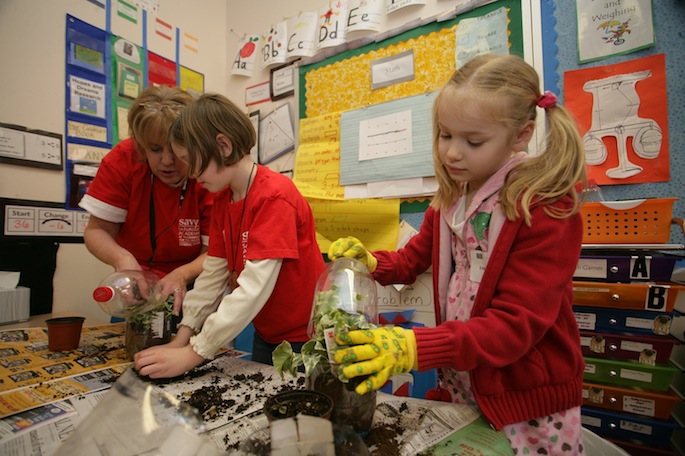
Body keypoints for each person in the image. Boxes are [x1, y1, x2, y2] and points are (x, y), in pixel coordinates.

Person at [328, 54, 587, 455]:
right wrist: (374, 262)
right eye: (445, 135)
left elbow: (514, 326)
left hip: (526, 394)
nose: (451, 153)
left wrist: (414, 347)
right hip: (466, 377)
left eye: (473, 141)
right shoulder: (453, 198)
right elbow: (414, 258)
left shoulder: (542, 206)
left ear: (521, 136)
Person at [133, 93, 325, 376]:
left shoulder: (274, 196)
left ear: (222, 146)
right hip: (268, 334)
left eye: (189, 160)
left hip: (306, 338)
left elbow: (253, 288)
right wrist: (183, 337)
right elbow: (212, 275)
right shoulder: (224, 199)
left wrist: (196, 352)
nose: (188, 172)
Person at [80, 86, 213, 313]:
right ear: (141, 146)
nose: (167, 161)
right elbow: (96, 231)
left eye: (177, 151)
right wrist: (124, 261)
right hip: (135, 280)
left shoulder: (209, 174)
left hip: (193, 281)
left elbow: (215, 252)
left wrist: (183, 274)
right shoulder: (122, 161)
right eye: (155, 149)